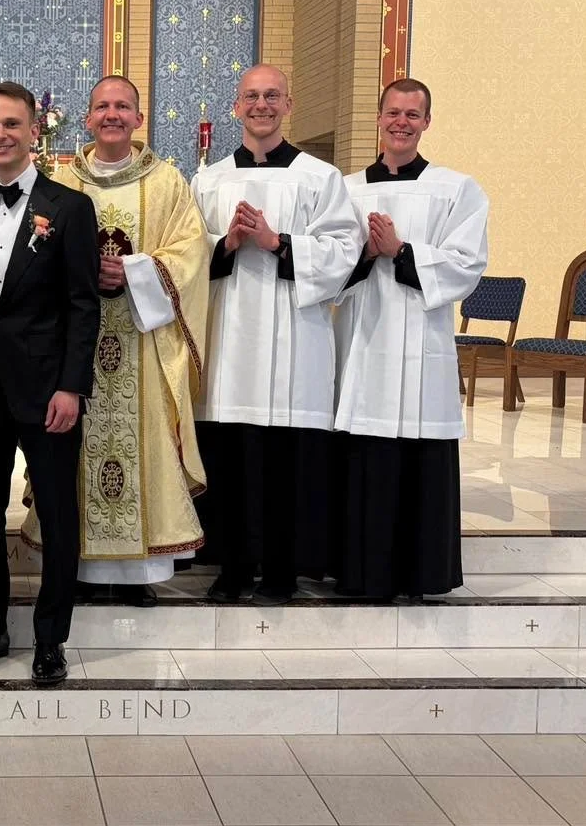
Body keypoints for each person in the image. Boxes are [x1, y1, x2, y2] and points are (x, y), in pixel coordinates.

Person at [21, 76, 209, 606]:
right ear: (87, 117)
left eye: (122, 106)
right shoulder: (58, 181)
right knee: (69, 454)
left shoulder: (168, 182)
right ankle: (75, 566)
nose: (112, 115)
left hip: (140, 341)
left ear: (138, 118)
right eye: (102, 106)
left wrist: (133, 271)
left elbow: (191, 252)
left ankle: (136, 575)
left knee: (143, 444)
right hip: (70, 345)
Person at [0, 81, 100, 687]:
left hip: (48, 389)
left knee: (59, 515)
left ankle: (49, 639)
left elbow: (84, 305)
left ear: (35, 131)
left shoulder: (69, 208)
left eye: (13, 124)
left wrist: (72, 386)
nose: (1, 135)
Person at [192, 64, 362, 604]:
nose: (261, 105)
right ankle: (234, 567)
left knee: (289, 460)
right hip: (229, 341)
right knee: (233, 456)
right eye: (251, 97)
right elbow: (186, 255)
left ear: (288, 104)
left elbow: (344, 251)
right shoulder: (209, 180)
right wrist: (226, 244)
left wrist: (276, 241)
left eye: (272, 96)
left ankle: (284, 572)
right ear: (236, 107)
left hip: (297, 341)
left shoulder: (320, 177)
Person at [333, 78, 488, 597]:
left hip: (423, 344)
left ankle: (420, 574)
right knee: (366, 453)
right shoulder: (348, 190)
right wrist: (365, 254)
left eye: (412, 114)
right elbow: (327, 264)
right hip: (365, 339)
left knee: (420, 454)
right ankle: (363, 574)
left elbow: (467, 265)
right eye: (393, 112)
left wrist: (400, 251)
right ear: (379, 117)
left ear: (426, 122)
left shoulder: (457, 189)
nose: (401, 122)